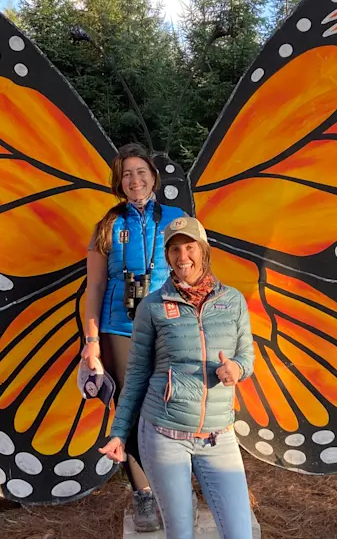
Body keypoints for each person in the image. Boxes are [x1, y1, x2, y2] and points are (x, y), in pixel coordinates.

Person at [100, 217, 256, 539]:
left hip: (218, 435)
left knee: (240, 533)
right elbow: (137, 376)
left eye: (189, 247)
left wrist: (237, 369)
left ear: (203, 250)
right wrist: (118, 433)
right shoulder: (153, 307)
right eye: (174, 249)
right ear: (167, 255)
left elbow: (247, 357)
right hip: (164, 435)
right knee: (181, 532)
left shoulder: (233, 302)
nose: (182, 256)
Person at [82, 143, 186, 532]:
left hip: (169, 325)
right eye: (126, 174)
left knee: (173, 406)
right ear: (118, 181)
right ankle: (144, 494)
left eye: (141, 171)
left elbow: (196, 273)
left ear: (154, 177)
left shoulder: (176, 219)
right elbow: (93, 288)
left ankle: (174, 488)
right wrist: (90, 343)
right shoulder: (107, 225)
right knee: (131, 411)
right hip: (119, 329)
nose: (134, 180)